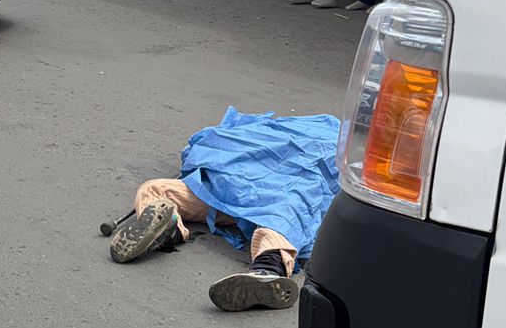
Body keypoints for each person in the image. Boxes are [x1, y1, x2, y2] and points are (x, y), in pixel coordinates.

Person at [107, 108, 340, 312]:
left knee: (156, 189)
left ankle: (265, 268)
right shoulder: (268, 132)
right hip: (242, 193)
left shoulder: (322, 139)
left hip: (240, 194)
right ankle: (170, 230)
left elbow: (207, 145)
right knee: (285, 216)